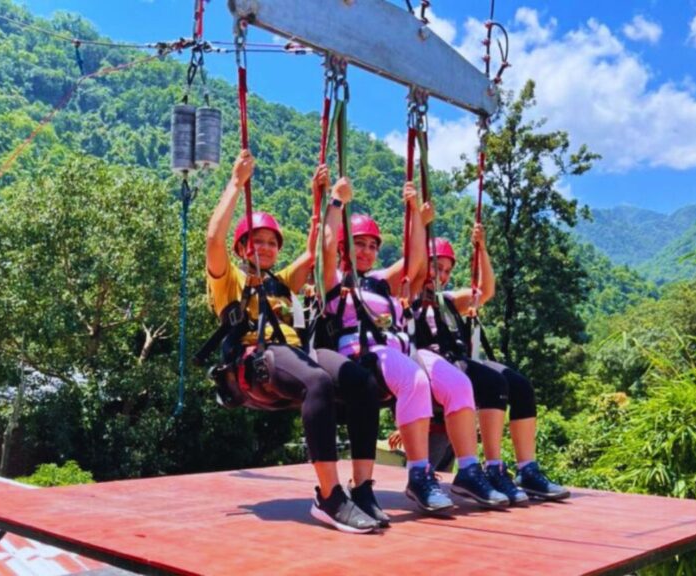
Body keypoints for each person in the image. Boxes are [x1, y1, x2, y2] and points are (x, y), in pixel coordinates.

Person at [204, 151, 383, 533]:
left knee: (359, 380)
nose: (265, 248)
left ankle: (363, 488)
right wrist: (236, 182)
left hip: (294, 354)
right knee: (317, 380)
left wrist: (331, 201)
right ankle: (329, 496)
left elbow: (319, 251)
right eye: (256, 241)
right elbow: (213, 238)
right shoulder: (229, 279)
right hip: (256, 359)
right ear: (241, 248)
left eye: (271, 242)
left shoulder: (283, 282)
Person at [321, 178, 509, 518]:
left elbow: (415, 262)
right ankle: (419, 473)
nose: (365, 251)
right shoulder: (335, 279)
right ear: (348, 247)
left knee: (459, 385)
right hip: (364, 354)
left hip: (398, 352)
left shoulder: (381, 282)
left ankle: (468, 468)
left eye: (371, 246)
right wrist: (335, 202)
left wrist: (415, 217)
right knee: (415, 380)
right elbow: (327, 247)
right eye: (358, 244)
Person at [412, 227, 569, 502]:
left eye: (448, 270)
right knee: (491, 382)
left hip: (459, 360)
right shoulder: (410, 298)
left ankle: (526, 469)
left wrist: (481, 248)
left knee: (519, 386)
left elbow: (483, 292)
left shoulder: (448, 301)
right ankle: (492, 466)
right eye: (437, 267)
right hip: (435, 366)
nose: (443, 275)